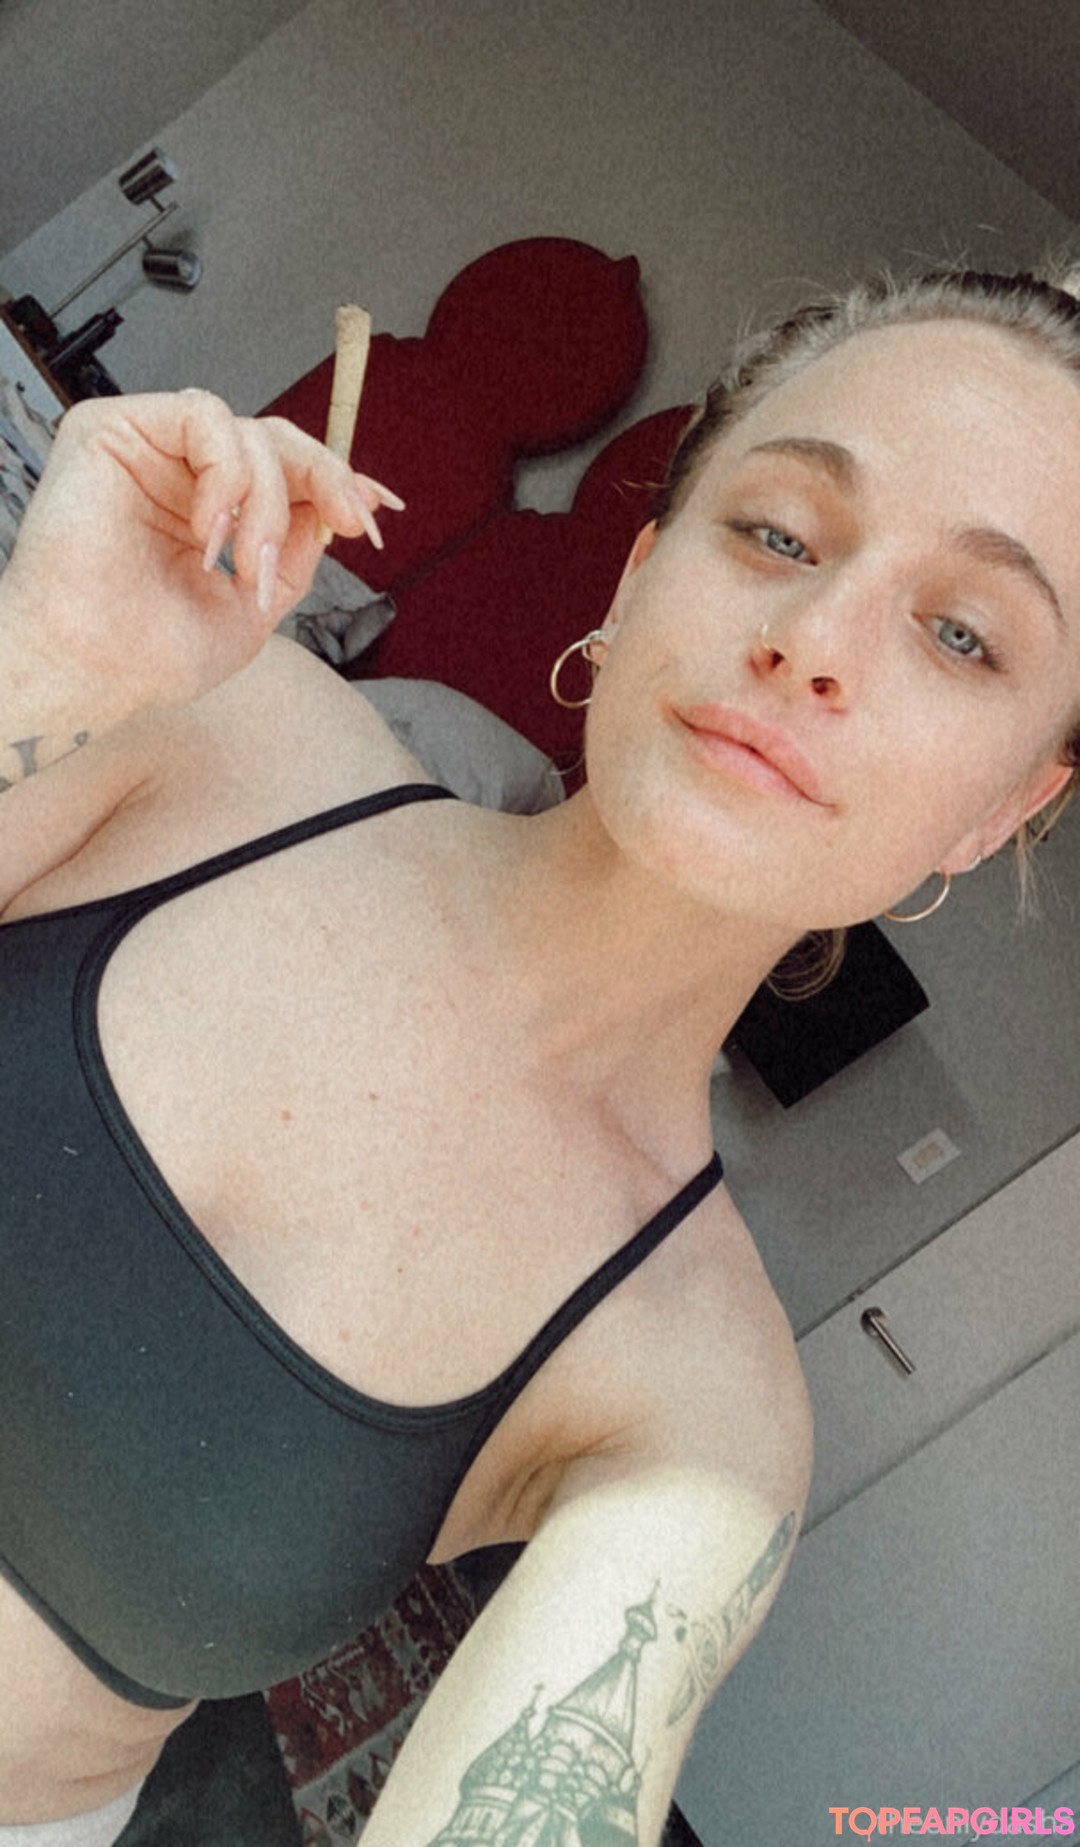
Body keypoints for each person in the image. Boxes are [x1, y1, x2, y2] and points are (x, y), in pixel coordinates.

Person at [2, 260, 1080, 1847]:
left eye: (964, 635)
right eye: (779, 534)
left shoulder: (700, 1412)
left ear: (1005, 808)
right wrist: (41, 660)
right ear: (639, 574)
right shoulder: (218, 727)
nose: (813, 639)